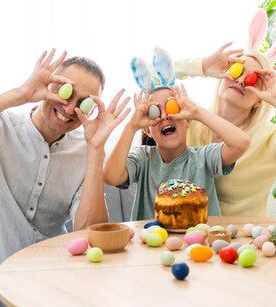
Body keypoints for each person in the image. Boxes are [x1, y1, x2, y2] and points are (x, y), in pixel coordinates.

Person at [0, 49, 131, 306]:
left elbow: (88, 231)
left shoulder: (85, 151)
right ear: (50, 85)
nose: (69, 108)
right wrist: (20, 94)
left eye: (83, 103)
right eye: (65, 92)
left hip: (54, 288)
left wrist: (96, 149)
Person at [174, 10, 276, 216]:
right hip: (188, 233)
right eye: (238, 70)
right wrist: (203, 66)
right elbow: (152, 78)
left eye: (254, 80)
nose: (240, 81)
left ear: (259, 99)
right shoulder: (192, 118)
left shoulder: (270, 138)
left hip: (245, 239)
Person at [103, 47, 250, 220]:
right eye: (154, 112)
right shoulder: (143, 159)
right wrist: (131, 126)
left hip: (199, 244)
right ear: (147, 129)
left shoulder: (203, 158)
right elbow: (111, 177)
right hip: (151, 245)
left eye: (172, 107)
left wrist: (196, 112)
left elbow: (242, 142)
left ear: (187, 120)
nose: (165, 116)